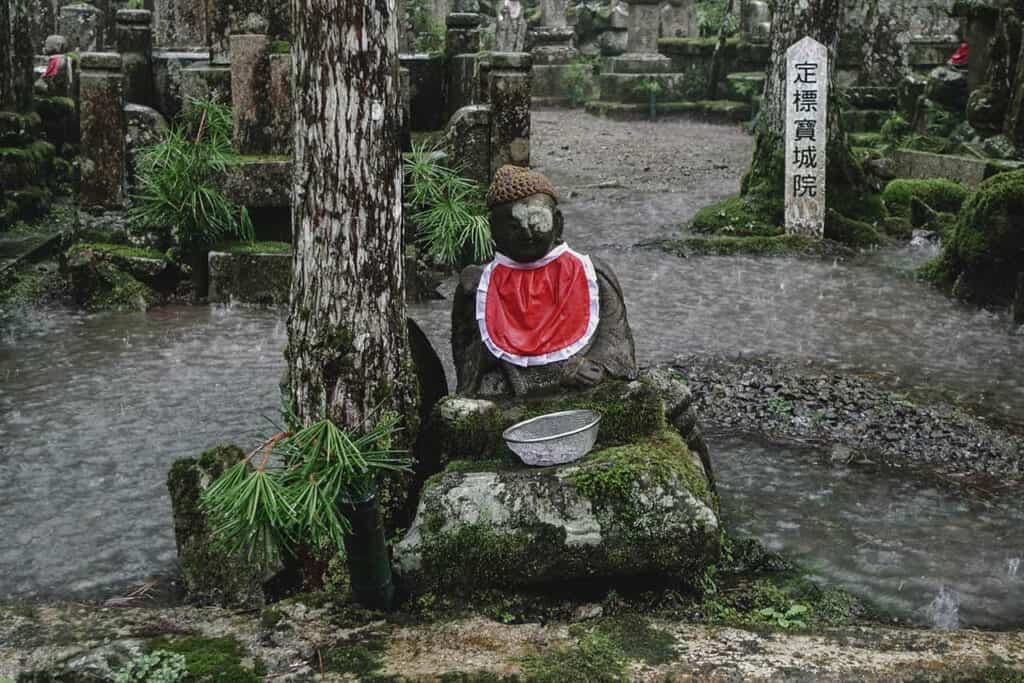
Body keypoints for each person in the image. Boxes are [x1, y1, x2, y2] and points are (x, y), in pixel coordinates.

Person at [452, 165, 637, 397]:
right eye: (512, 226)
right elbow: (469, 362)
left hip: (580, 387)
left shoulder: (593, 274)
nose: (526, 233)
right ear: (494, 232)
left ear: (558, 223)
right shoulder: (478, 287)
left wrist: (594, 366)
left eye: (537, 221)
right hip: (511, 387)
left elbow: (616, 341)